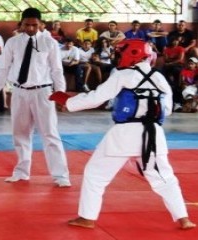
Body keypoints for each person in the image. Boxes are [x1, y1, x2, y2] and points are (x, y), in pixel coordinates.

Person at [49, 39, 196, 230]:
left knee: (95, 175)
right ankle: (183, 218)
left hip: (124, 134)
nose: (118, 57)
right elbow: (166, 110)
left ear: (131, 54)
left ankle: (87, 218)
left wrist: (68, 102)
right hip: (153, 136)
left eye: (120, 53)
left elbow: (97, 98)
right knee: (164, 178)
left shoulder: (123, 75)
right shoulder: (159, 78)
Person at [0, 8, 71, 187]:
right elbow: (2, 69)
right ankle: (21, 172)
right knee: (20, 133)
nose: (31, 28)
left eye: (35, 25)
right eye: (27, 25)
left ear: (41, 24)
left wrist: (61, 94)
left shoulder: (49, 43)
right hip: (19, 91)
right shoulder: (12, 43)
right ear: (21, 24)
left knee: (50, 134)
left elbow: (57, 70)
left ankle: (60, 175)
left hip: (44, 92)